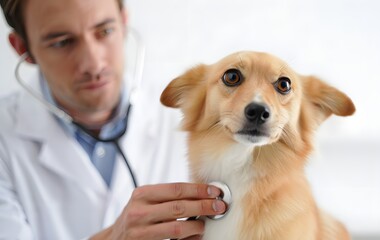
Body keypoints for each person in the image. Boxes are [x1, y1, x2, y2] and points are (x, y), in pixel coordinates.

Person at [0, 0, 227, 239]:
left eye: (105, 31)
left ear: (124, 22)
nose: (94, 64)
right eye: (62, 42)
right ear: (22, 48)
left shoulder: (194, 119)